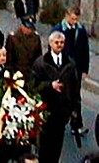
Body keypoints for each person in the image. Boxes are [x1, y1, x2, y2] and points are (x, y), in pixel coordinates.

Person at [33, 31, 80, 163]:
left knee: (57, 145)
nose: (59, 45)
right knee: (44, 146)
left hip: (61, 112)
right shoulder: (40, 63)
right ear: (50, 43)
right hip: (46, 110)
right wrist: (49, 85)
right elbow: (34, 86)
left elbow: (75, 88)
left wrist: (75, 109)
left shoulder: (70, 63)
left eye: (62, 43)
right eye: (56, 42)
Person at [52, 6, 89, 133]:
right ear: (67, 15)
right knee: (61, 94)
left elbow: (85, 50)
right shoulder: (59, 30)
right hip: (62, 68)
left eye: (76, 19)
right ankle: (59, 120)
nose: (74, 22)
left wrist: (85, 69)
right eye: (72, 19)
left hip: (76, 68)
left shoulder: (80, 30)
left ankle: (77, 124)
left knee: (75, 96)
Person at [5, 16, 42, 81]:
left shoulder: (36, 38)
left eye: (31, 28)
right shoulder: (13, 38)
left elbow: (38, 56)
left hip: (30, 72)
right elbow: (9, 58)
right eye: (27, 28)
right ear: (22, 26)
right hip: (16, 72)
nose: (29, 30)